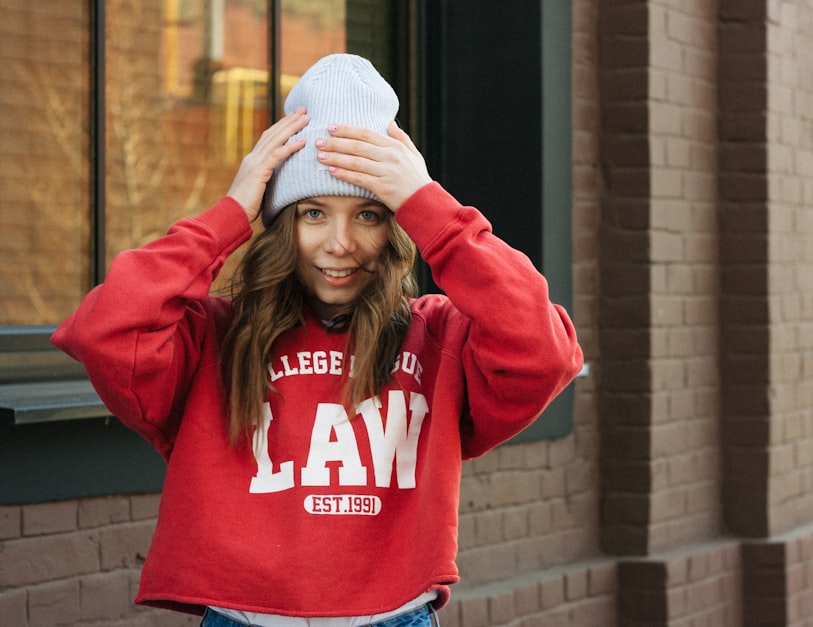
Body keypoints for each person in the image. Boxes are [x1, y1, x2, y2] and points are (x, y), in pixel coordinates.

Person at [51, 53, 582, 627]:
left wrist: (431, 207)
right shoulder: (215, 339)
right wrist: (230, 213)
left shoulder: (438, 338)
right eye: (312, 213)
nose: (340, 243)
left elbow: (544, 351)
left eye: (370, 216)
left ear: (397, 226)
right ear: (282, 225)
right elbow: (107, 330)